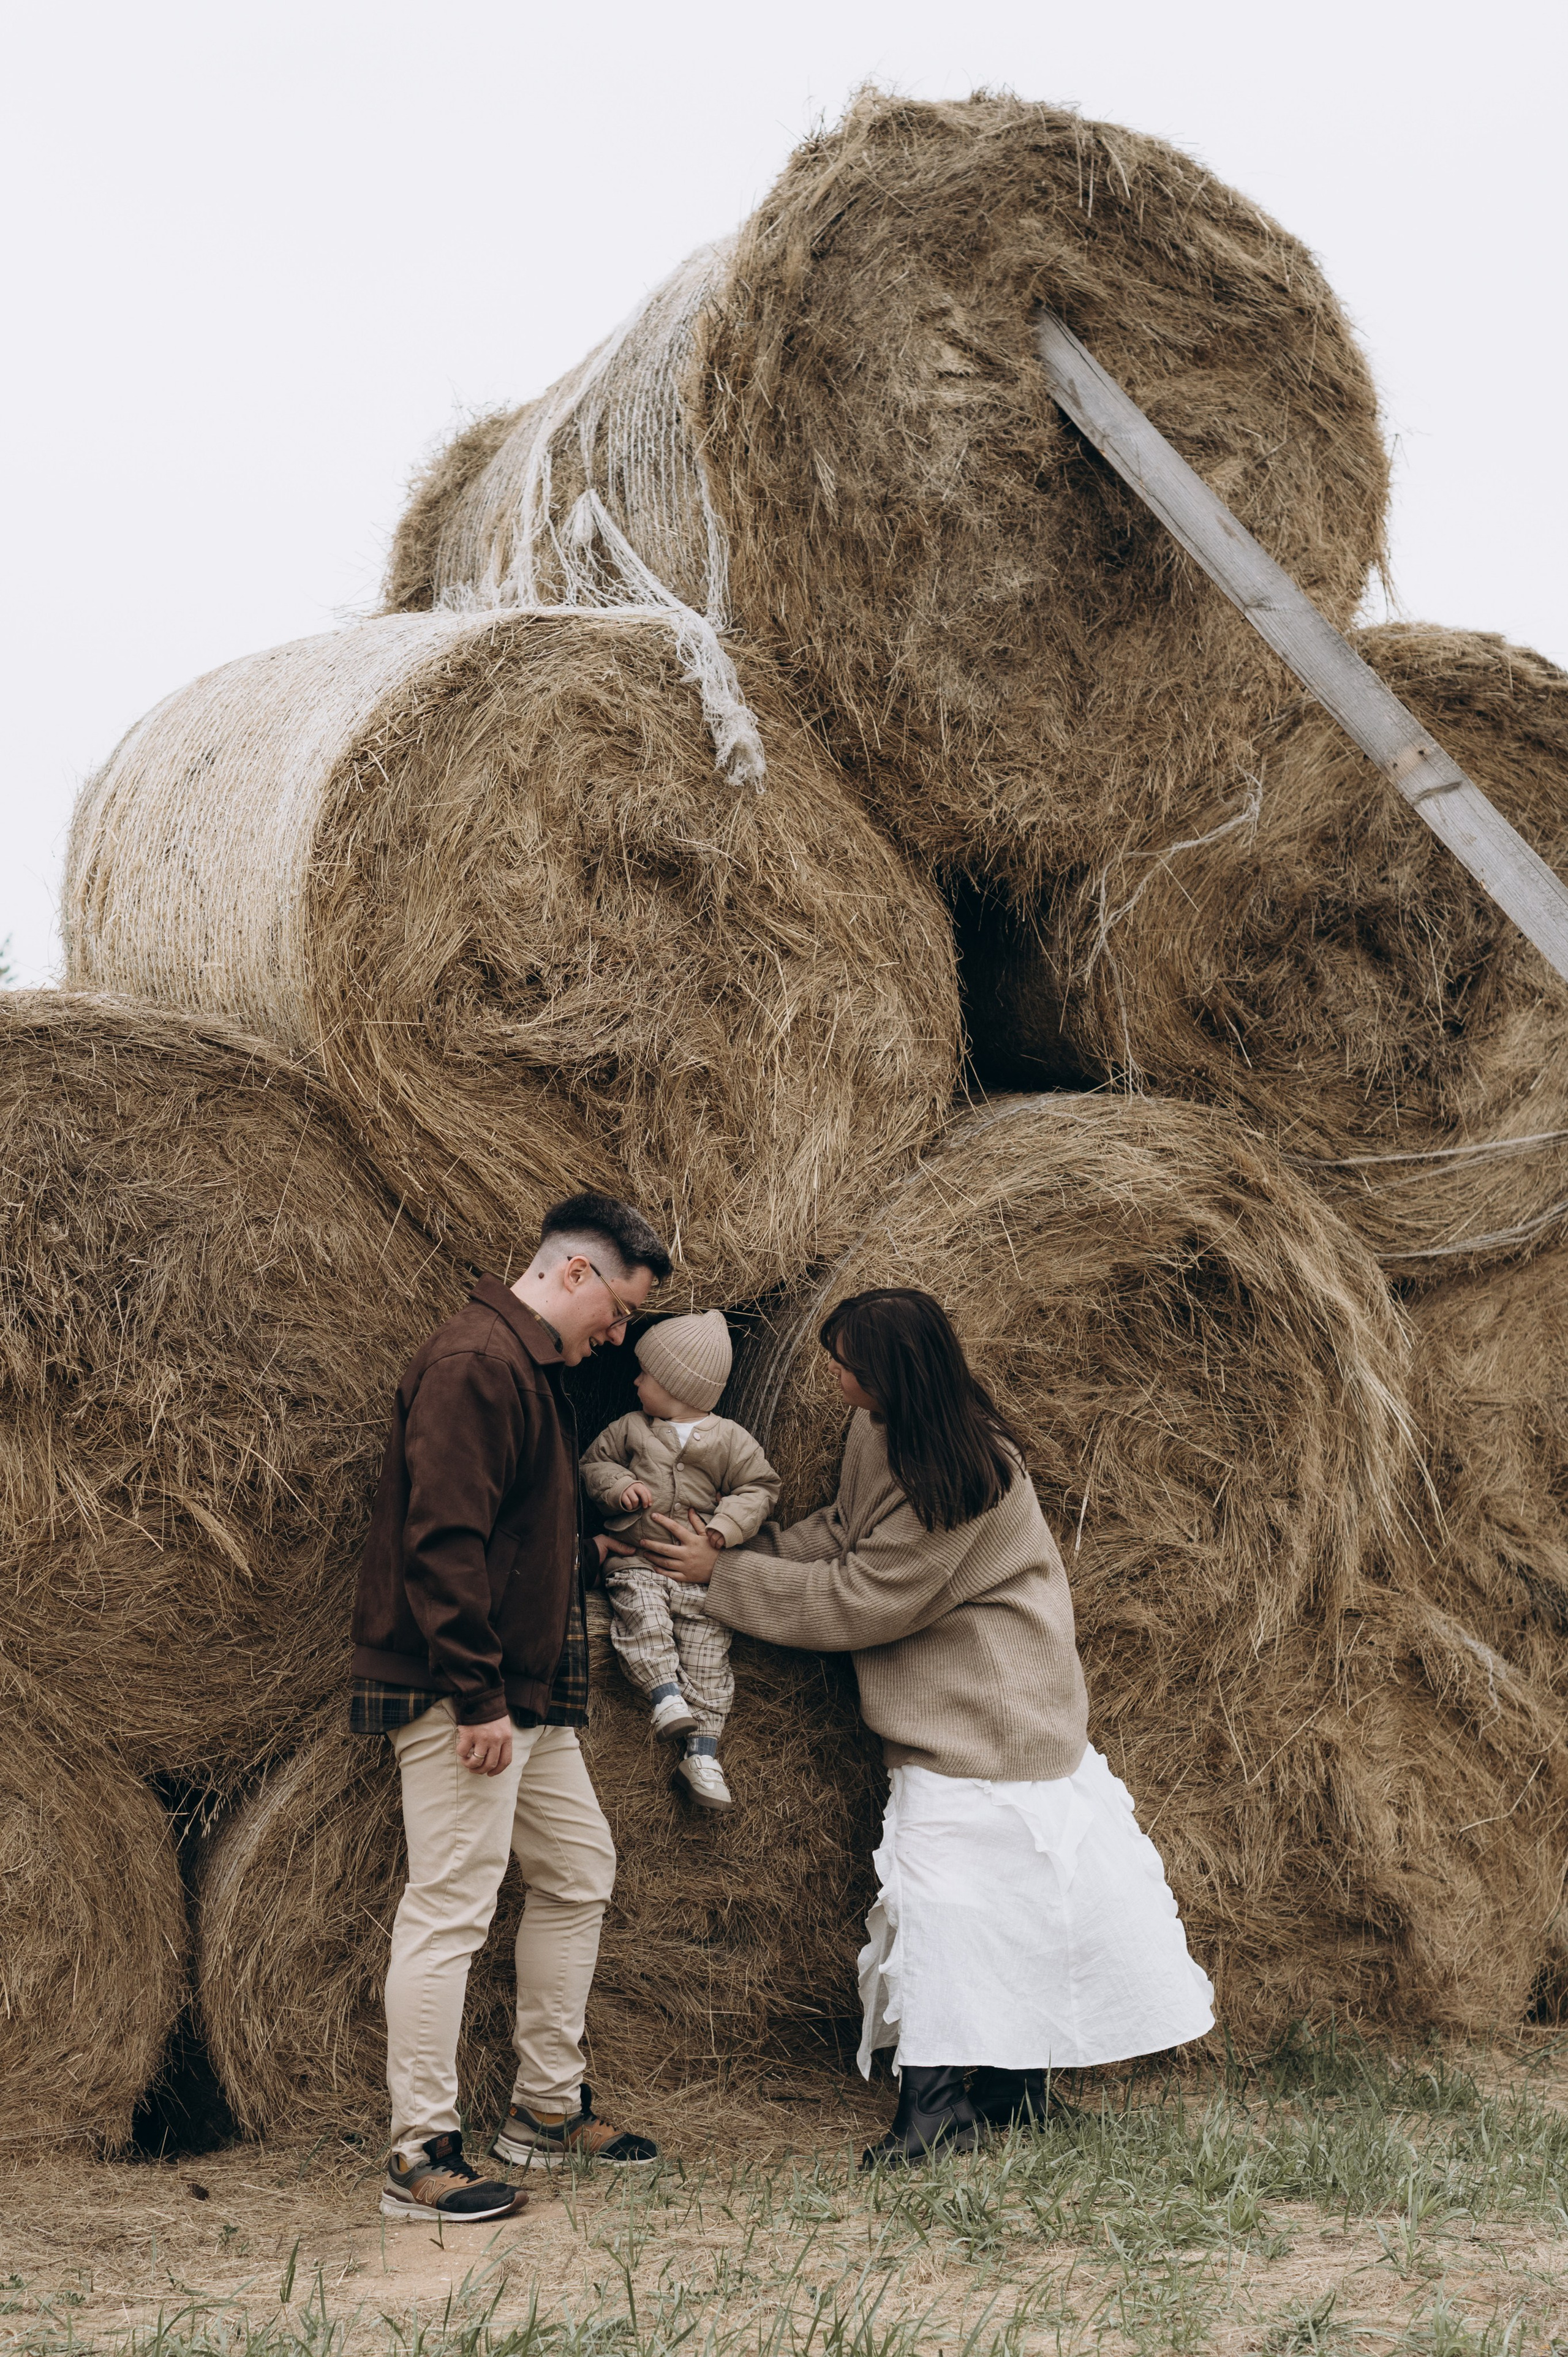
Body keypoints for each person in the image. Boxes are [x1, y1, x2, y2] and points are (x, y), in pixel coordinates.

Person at [643, 1285, 1215, 2168]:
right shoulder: (881, 1427)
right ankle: (1006, 2094)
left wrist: (716, 1584)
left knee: (947, 1907)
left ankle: (939, 2107)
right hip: (963, 1703)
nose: (831, 1377)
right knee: (996, 1902)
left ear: (892, 1375)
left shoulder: (970, 1474)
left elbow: (861, 1597)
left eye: (846, 1365)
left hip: (994, 1709)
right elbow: (845, 1530)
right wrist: (736, 1553)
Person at [350, 1192, 674, 2223]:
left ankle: (543, 2107)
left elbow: (510, 1531)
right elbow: (441, 1539)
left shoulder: (528, 1369)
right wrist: (476, 1693)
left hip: (526, 1693)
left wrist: (593, 1552)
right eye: (619, 1311)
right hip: (474, 1692)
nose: (618, 1336)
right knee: (450, 1904)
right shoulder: (476, 1364)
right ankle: (419, 2153)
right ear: (574, 1273)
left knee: (580, 1868)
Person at [580, 1310, 780, 1813]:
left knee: (711, 1655)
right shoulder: (630, 1428)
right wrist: (621, 1487)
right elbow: (592, 1464)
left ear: (674, 1384)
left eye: (645, 1373)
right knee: (643, 1619)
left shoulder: (731, 1440)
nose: (636, 1379)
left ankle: (703, 1755)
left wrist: (725, 1527)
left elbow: (760, 1487)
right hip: (637, 1564)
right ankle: (665, 1695)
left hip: (698, 1581)